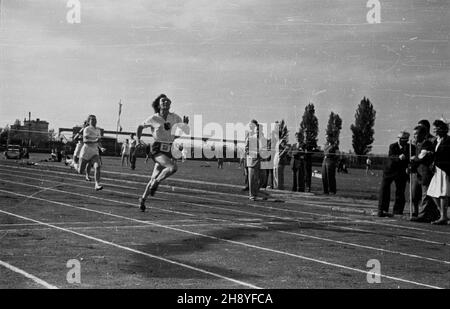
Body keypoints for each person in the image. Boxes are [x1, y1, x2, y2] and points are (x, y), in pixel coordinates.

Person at [136, 94, 190, 212]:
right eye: (163, 101)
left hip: (169, 148)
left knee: (153, 177)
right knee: (172, 167)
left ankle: (143, 199)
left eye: (167, 100)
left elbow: (179, 134)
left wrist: (185, 125)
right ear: (158, 104)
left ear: (170, 103)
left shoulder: (175, 117)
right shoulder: (154, 118)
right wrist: (138, 140)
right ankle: (156, 182)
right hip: (157, 148)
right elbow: (140, 127)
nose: (165, 102)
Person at [377, 131, 415, 217]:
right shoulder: (393, 146)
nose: (402, 141)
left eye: (405, 139)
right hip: (390, 171)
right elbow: (391, 156)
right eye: (401, 139)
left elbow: (411, 159)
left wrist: (409, 166)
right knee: (384, 188)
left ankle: (398, 211)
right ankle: (382, 209)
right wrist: (398, 157)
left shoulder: (411, 147)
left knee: (400, 191)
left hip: (402, 172)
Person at [409, 125, 440, 222]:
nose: (414, 136)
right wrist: (412, 167)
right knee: (415, 194)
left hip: (425, 172)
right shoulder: (417, 144)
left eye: (416, 134)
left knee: (425, 194)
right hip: (418, 172)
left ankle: (423, 215)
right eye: (413, 134)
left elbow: (422, 157)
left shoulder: (426, 144)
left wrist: (415, 159)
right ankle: (422, 213)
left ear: (423, 134)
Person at [426, 120, 450, 225]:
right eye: (434, 128)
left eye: (437, 128)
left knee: (443, 193)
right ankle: (443, 215)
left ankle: (443, 216)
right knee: (432, 192)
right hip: (437, 169)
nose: (435, 130)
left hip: (445, 169)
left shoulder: (449, 140)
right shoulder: (436, 141)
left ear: (443, 129)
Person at [78, 115, 106, 191]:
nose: (94, 121)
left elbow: (99, 141)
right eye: (92, 120)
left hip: (94, 152)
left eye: (95, 119)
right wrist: (95, 141)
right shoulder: (86, 129)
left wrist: (101, 147)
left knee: (98, 166)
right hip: (86, 151)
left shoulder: (98, 130)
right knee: (80, 171)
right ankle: (72, 163)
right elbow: (85, 141)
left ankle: (97, 184)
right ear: (89, 121)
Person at [245, 120, 269, 200]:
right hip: (252, 161)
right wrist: (256, 153)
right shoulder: (250, 137)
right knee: (252, 180)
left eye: (260, 129)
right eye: (257, 129)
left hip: (262, 161)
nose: (259, 131)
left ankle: (256, 191)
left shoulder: (263, 139)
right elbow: (246, 150)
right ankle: (252, 195)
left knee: (263, 179)